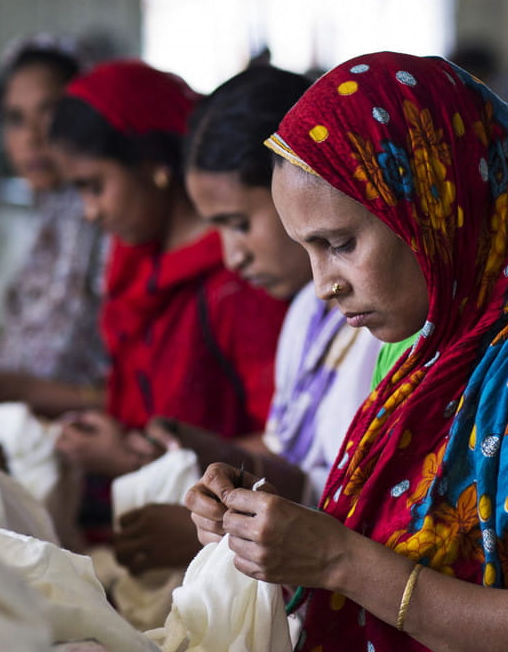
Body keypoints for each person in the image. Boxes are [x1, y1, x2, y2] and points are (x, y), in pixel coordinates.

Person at [187, 51, 508, 652]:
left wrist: (335, 557)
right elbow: (400, 540)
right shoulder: (433, 355)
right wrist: (268, 530)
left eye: (340, 242)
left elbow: (368, 564)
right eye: (307, 250)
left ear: (432, 201)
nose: (322, 282)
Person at [114, 66, 382, 577]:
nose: (232, 257)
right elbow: (304, 473)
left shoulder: (386, 324)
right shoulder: (309, 313)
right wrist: (221, 470)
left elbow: (371, 518)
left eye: (240, 224)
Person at [49, 60, 289, 490]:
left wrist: (140, 461)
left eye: (95, 186)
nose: (90, 211)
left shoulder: (242, 282)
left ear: (152, 167)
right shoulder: (139, 266)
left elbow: (290, 449)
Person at [0, 37, 108, 418]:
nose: (31, 138)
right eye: (16, 119)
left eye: (49, 114)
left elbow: (122, 390)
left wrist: (15, 389)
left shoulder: (108, 219)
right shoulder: (40, 221)